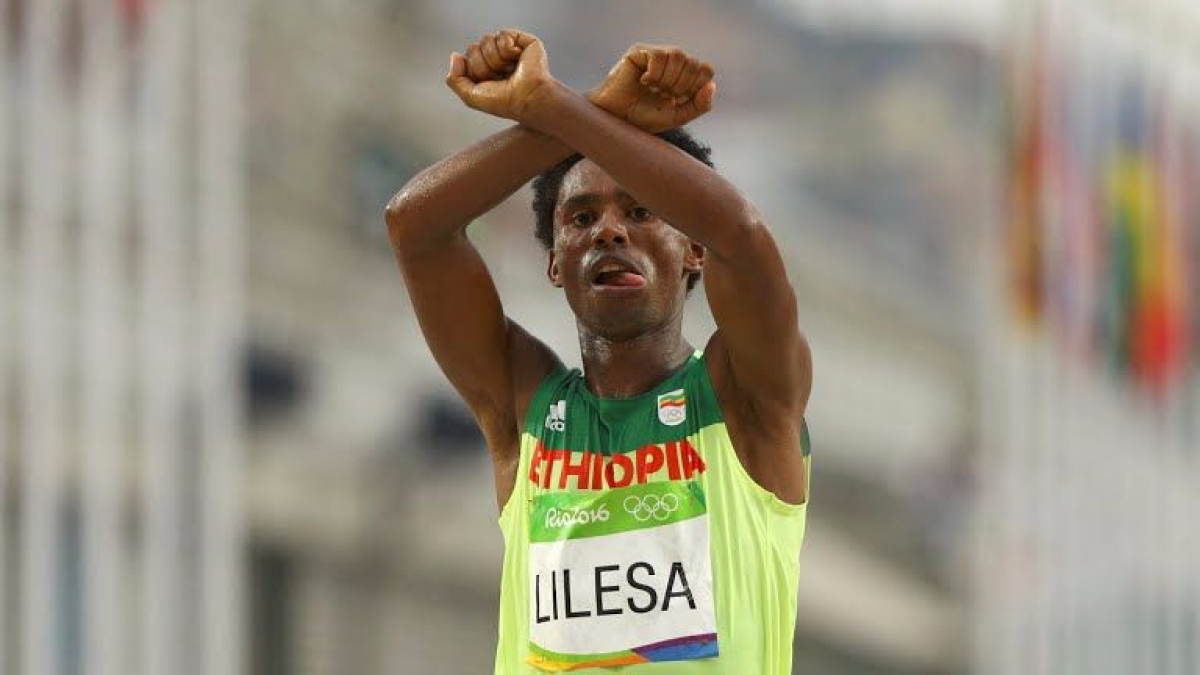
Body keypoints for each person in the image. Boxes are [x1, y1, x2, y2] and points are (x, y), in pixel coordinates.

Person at [386, 29, 812, 675]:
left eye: (641, 212)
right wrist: (585, 109)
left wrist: (557, 109)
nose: (609, 229)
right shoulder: (521, 406)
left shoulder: (745, 397)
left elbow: (743, 235)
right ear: (556, 263)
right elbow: (414, 225)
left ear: (692, 249)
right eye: (581, 219)